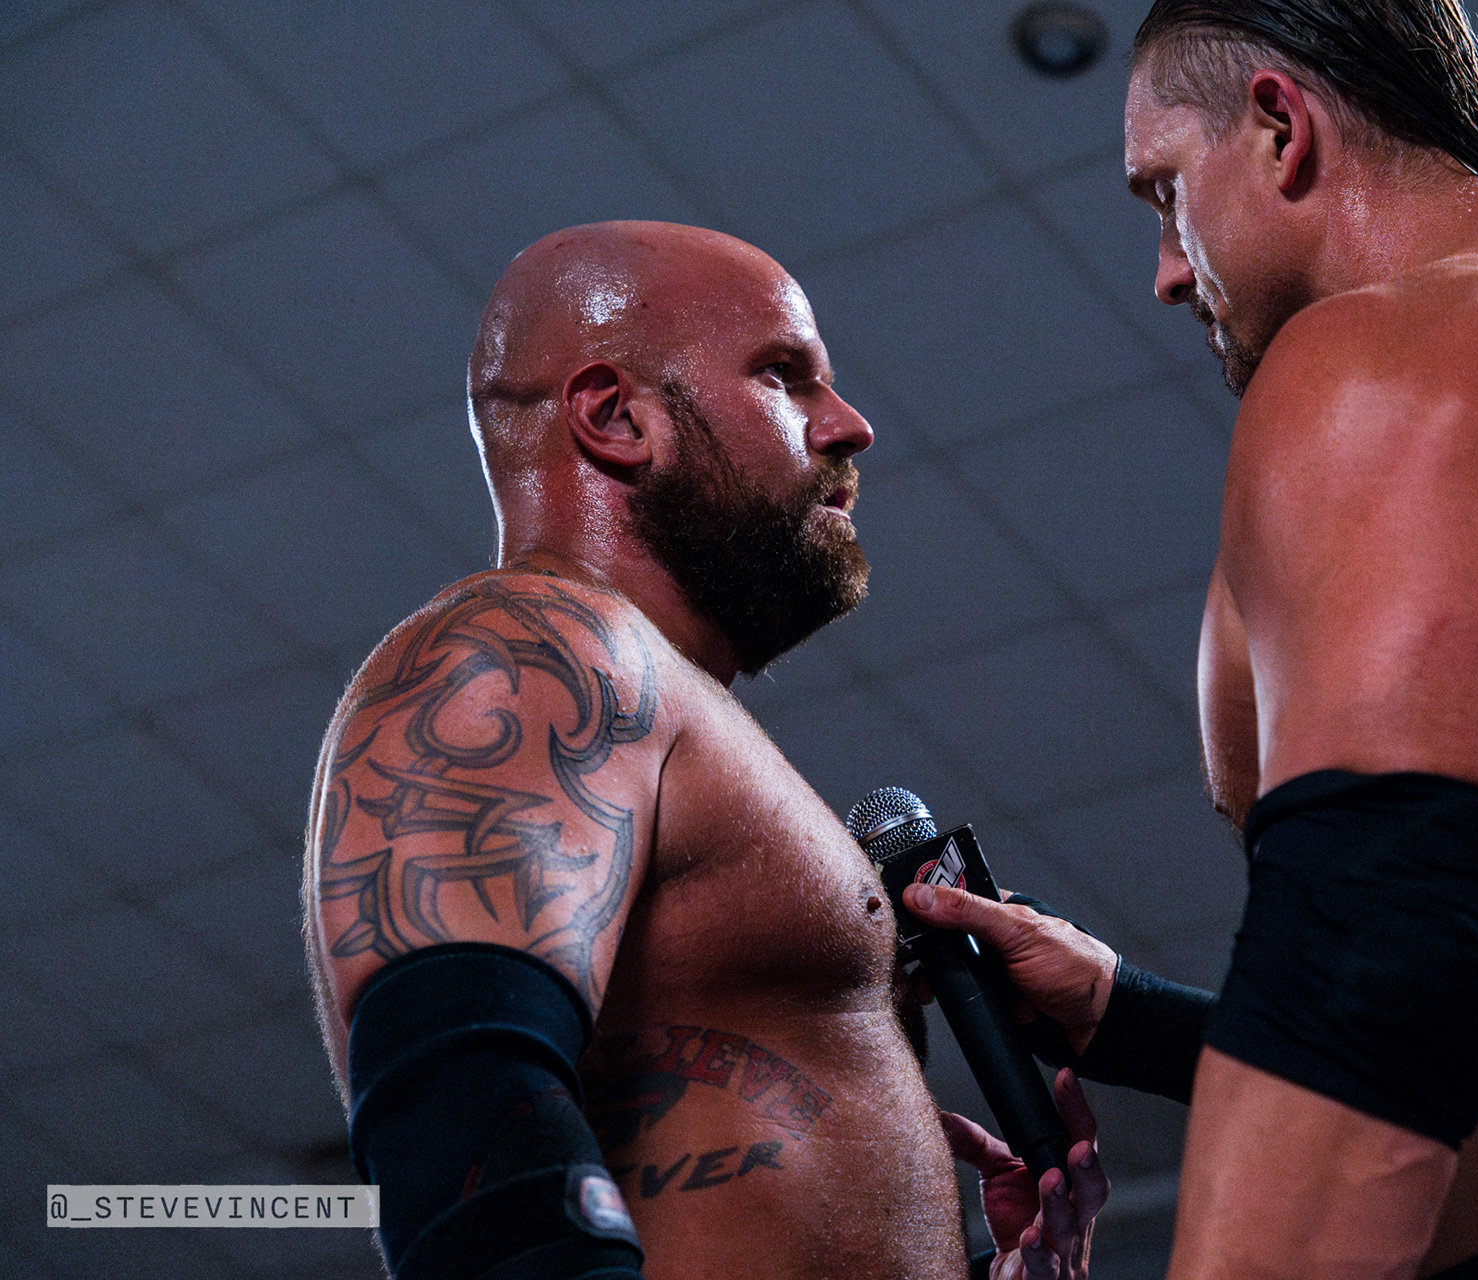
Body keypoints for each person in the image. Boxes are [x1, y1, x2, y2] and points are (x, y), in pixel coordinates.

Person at [906, 2, 1478, 1278]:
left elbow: (1396, 966)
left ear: (1279, 125)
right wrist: (1126, 1017)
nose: (1169, 270)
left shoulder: (1391, 350)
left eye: (1166, 194)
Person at [302, 221, 1106, 1280]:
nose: (851, 426)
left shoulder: (662, 709)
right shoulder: (525, 650)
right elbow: (458, 1103)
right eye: (784, 375)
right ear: (616, 417)